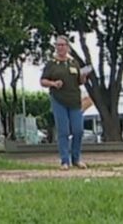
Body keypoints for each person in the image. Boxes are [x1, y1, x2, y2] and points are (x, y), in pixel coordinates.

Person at [40, 35, 90, 170]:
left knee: (78, 130)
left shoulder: (74, 62)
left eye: (63, 45)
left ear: (68, 47)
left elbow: (80, 81)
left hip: (74, 100)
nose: (60, 47)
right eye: (58, 45)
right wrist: (53, 83)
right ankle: (64, 161)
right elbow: (43, 81)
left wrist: (83, 76)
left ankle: (76, 159)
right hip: (59, 100)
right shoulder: (51, 63)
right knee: (63, 131)